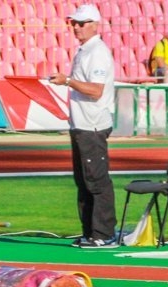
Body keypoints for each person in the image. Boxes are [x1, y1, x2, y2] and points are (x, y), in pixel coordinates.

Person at [50, 5, 118, 249]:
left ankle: (104, 234)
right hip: (81, 124)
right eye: (74, 23)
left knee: (96, 181)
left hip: (93, 125)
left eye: (81, 23)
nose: (76, 27)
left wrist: (68, 81)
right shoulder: (85, 51)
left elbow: (96, 91)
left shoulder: (97, 53)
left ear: (95, 24)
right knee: (84, 181)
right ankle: (90, 232)